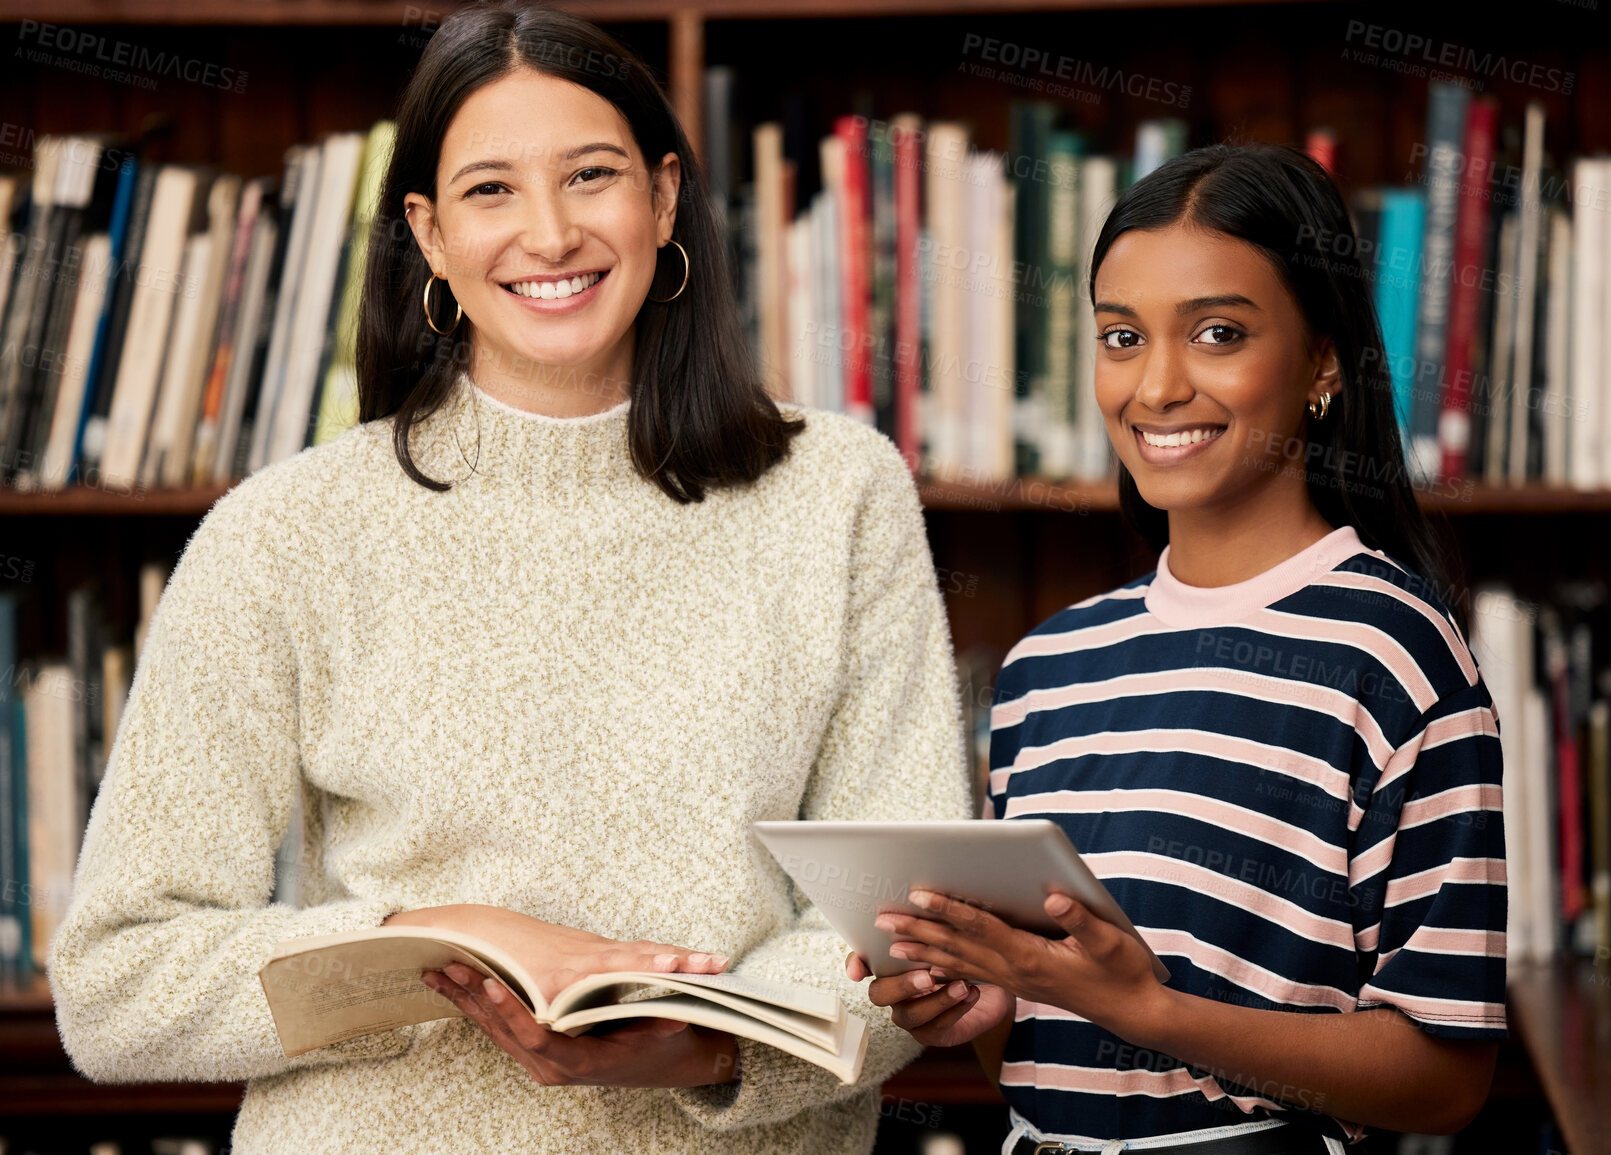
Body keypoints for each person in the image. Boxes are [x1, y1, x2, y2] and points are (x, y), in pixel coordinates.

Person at [47, 3, 971, 1152]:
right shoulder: (285, 532)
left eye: (592, 175)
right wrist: (452, 946)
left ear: (664, 197)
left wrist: (717, 1048)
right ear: (429, 234)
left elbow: (914, 935)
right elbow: (118, 986)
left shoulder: (837, 493)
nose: (549, 233)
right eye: (491, 191)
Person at [849, 143, 1507, 1155]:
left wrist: (1152, 1010)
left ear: (1323, 361)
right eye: (1121, 336)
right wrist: (988, 1003)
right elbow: (1042, 1047)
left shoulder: (1395, 653)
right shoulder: (1046, 672)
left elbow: (1446, 1075)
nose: (1156, 386)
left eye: (1216, 333)